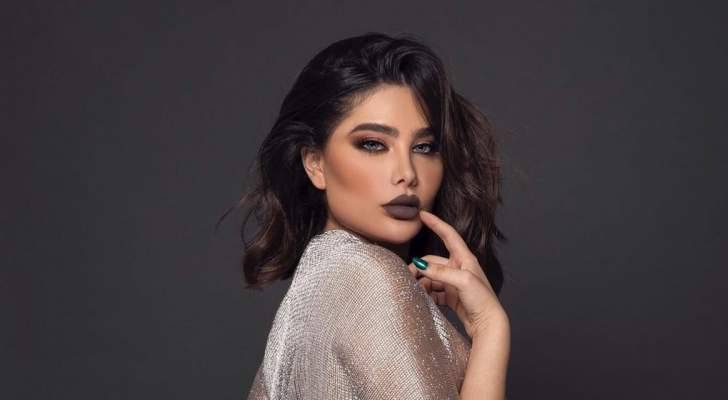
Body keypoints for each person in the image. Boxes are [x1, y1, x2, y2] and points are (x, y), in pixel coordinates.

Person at [221, 32, 510, 399]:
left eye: (424, 147)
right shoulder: (365, 276)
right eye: (373, 144)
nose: (407, 173)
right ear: (315, 164)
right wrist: (490, 329)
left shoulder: (318, 285)